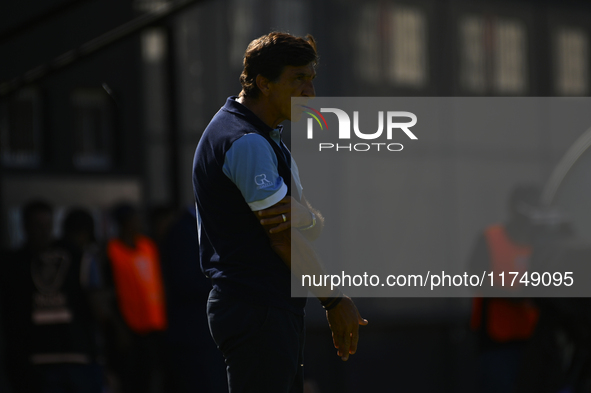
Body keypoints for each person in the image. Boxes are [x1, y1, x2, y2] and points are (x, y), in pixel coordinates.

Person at [192, 32, 367, 393]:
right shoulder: (246, 141)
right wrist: (333, 300)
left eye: (311, 80)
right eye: (298, 80)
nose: (310, 93)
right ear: (263, 83)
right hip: (256, 306)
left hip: (263, 307)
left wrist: (305, 216)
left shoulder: (263, 137)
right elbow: (283, 237)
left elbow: (304, 227)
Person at [1, 202, 105, 393]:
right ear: (25, 227)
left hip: (75, 356)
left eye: (47, 226)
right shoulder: (14, 264)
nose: (43, 232)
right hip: (36, 361)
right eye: (37, 226)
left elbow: (97, 308)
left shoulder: (75, 258)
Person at [469, 185, 541, 393]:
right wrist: (514, 297)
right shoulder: (491, 238)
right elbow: (476, 278)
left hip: (533, 338)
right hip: (497, 340)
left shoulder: (541, 243)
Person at [106, 202, 167, 393]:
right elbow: (107, 293)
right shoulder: (112, 251)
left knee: (151, 379)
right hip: (128, 329)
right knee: (130, 381)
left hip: (154, 326)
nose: (138, 223)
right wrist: (117, 328)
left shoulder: (148, 247)